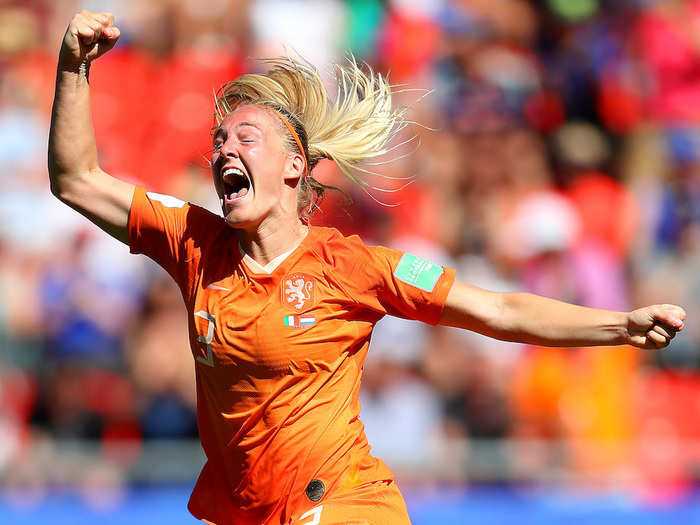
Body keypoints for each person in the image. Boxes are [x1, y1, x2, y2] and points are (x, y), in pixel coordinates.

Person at [48, 11, 686, 525]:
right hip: (247, 511)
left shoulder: (350, 266)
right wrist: (74, 68)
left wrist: (620, 326)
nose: (223, 150)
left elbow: (496, 308)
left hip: (348, 502)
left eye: (245, 137)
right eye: (219, 141)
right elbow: (75, 178)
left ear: (295, 167)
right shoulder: (194, 242)